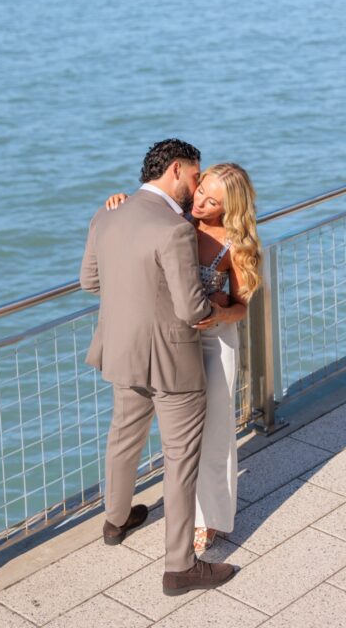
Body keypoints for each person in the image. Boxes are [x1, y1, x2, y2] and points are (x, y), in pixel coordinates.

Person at [80, 139, 238, 597]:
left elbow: (91, 281)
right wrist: (222, 302)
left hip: (120, 350)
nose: (197, 184)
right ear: (175, 170)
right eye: (194, 174)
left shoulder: (108, 212)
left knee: (123, 438)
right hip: (172, 358)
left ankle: (115, 520)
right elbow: (191, 309)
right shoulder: (175, 229)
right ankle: (179, 566)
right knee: (179, 459)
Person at [105, 161, 262, 554]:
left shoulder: (236, 244)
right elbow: (144, 217)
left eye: (213, 202)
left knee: (214, 433)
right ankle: (124, 515)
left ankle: (210, 519)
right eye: (202, 191)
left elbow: (242, 304)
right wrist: (122, 204)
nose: (201, 203)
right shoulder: (176, 214)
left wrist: (221, 313)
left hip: (213, 342)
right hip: (167, 339)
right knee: (159, 434)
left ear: (232, 207)